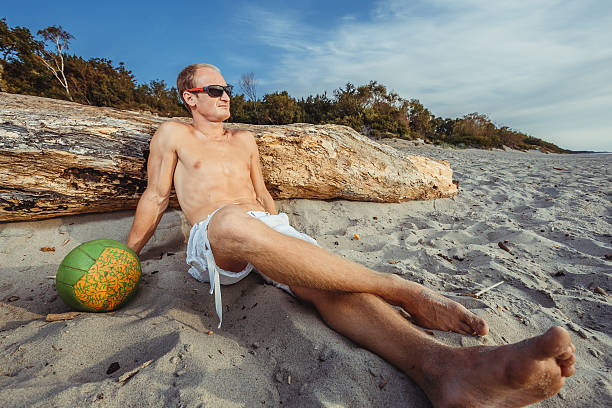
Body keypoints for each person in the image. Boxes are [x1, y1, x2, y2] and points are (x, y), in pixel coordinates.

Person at [126, 63, 576, 407]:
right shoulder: (173, 134)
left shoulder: (244, 140)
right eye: (215, 90)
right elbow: (154, 196)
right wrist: (127, 255)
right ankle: (403, 290)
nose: (226, 95)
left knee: (328, 284)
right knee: (229, 221)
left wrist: (289, 250)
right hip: (216, 241)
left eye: (227, 88)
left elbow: (263, 196)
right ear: (190, 97)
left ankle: (447, 370)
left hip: (266, 231)